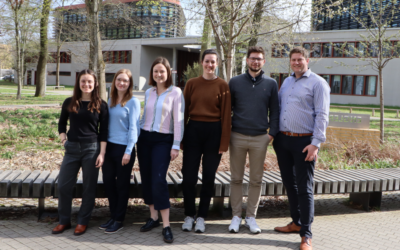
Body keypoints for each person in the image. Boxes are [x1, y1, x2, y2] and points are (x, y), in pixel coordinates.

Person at [273, 47, 330, 250]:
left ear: (307, 60)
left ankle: (306, 235)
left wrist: (316, 143)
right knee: (289, 184)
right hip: (283, 141)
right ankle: (296, 222)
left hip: (305, 143)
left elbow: (322, 115)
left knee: (305, 189)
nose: (296, 63)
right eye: (293, 60)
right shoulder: (287, 82)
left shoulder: (318, 83)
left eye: (300, 59)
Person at [228, 46, 279, 234]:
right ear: (247, 60)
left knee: (256, 180)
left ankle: (250, 217)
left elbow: (275, 111)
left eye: (259, 59)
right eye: (252, 58)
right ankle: (235, 216)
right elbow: (227, 110)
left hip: (260, 138)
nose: (255, 61)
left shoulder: (271, 83)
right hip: (237, 136)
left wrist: (271, 134)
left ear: (263, 62)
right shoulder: (234, 82)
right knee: (236, 179)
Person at [53, 69, 109, 236]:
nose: (86, 84)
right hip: (72, 149)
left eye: (89, 82)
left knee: (88, 187)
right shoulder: (69, 102)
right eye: (83, 81)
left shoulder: (101, 105)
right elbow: (62, 125)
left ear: (95, 84)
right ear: (78, 83)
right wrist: (64, 141)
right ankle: (64, 221)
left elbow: (104, 132)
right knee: (63, 185)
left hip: (91, 149)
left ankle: (82, 221)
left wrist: (102, 154)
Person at [181, 49, 231, 233]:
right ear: (202, 62)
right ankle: (188, 215)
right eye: (207, 61)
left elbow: (226, 116)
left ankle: (201, 217)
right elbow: (184, 112)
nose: (210, 65)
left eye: (213, 62)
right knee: (188, 177)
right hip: (193, 130)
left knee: (209, 177)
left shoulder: (223, 85)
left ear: (217, 64)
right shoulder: (192, 84)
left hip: (214, 132)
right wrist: (180, 138)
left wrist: (223, 142)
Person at [137, 57, 184, 243]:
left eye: (162, 71)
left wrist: (176, 144)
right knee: (147, 178)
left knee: (158, 179)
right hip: (145, 139)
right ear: (152, 74)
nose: (159, 74)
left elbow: (178, 121)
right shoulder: (149, 92)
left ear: (168, 73)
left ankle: (166, 225)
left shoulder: (176, 92)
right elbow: (144, 118)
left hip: (163, 140)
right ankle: (153, 217)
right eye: (155, 71)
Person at [99, 69, 141, 234]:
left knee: (122, 185)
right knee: (109, 183)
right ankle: (112, 215)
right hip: (109, 147)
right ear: (114, 81)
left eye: (125, 80)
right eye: (119, 80)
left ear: (129, 83)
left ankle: (119, 219)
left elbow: (134, 128)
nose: (122, 83)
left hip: (124, 149)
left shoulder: (133, 102)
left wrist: (129, 151)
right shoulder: (111, 100)